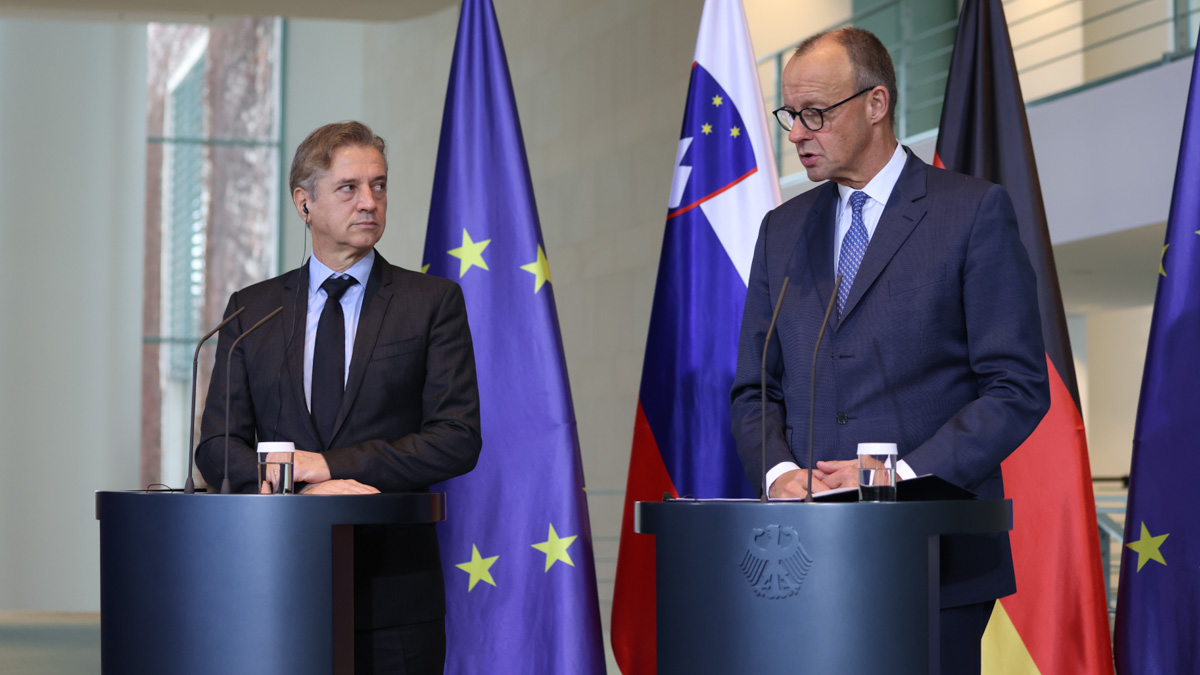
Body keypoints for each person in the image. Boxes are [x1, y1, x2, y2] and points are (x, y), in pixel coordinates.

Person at [729, 28, 1050, 673]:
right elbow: (755, 388)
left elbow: (1016, 387)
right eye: (791, 115)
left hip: (933, 556)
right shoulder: (781, 230)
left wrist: (894, 478)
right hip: (807, 553)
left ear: (876, 103)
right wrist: (777, 473)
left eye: (816, 113)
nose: (797, 134)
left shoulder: (971, 212)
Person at [195, 121, 482, 674]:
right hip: (274, 585)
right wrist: (295, 486)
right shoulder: (253, 311)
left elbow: (456, 438)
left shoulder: (431, 302)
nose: (369, 201)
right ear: (305, 203)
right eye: (349, 188)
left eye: (379, 185)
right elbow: (217, 445)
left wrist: (325, 465)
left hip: (394, 599)